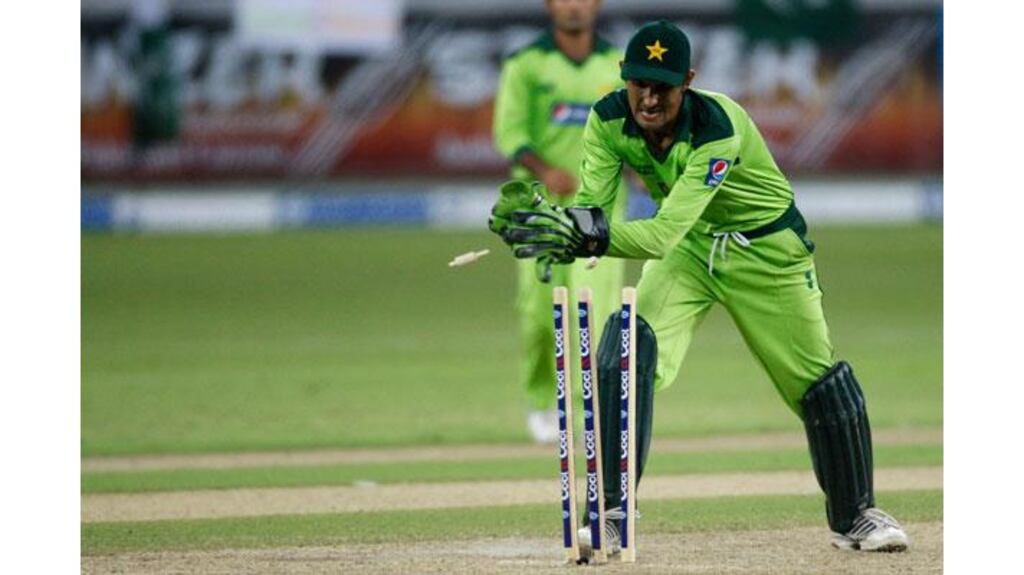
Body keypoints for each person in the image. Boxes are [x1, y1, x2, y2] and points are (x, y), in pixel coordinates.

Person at [489, 20, 910, 553]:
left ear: (686, 81)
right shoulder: (607, 118)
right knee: (626, 342)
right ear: (623, 77)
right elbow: (593, 210)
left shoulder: (717, 126)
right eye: (638, 82)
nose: (648, 97)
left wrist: (590, 239)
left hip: (767, 251)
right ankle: (615, 512)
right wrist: (564, 229)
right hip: (693, 253)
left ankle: (857, 517)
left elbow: (663, 232)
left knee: (818, 383)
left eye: (661, 85)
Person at [492, 0, 629, 443]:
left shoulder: (617, 64)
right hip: (540, 211)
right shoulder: (527, 64)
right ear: (550, 5)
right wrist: (546, 171)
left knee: (601, 311)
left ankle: (599, 405)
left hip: (600, 210)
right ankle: (542, 403)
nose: (575, 7)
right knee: (539, 315)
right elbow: (509, 133)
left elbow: (634, 131)